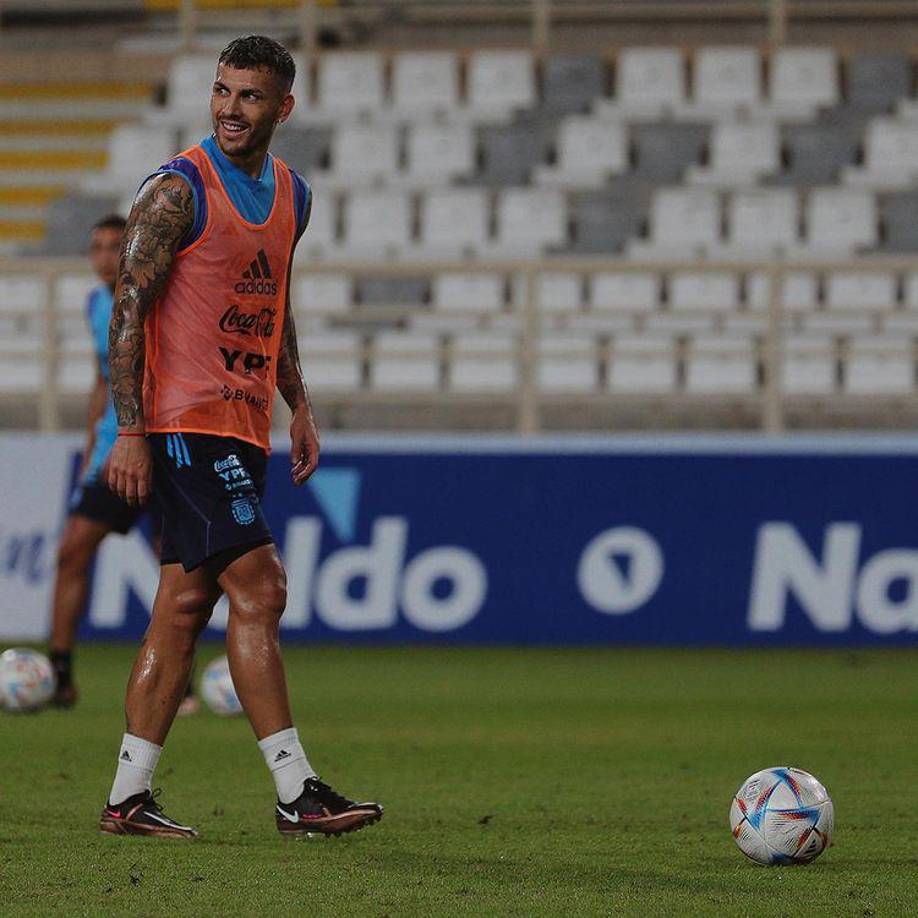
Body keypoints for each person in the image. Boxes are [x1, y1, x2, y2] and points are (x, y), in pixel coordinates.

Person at [99, 35, 383, 839]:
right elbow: (129, 310)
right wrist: (131, 429)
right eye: (222, 91)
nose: (229, 108)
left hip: (243, 422)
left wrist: (299, 403)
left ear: (283, 108)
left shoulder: (294, 194)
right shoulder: (175, 191)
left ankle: (127, 797)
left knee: (183, 606)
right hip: (185, 420)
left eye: (249, 96)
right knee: (261, 587)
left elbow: (273, 304)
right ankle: (298, 790)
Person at [46, 214, 199, 715]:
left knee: (177, 567)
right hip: (113, 450)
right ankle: (61, 675)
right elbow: (101, 377)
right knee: (72, 551)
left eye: (116, 246)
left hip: (161, 446)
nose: (106, 256)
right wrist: (93, 441)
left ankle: (182, 684)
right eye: (98, 246)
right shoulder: (94, 304)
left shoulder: (156, 297)